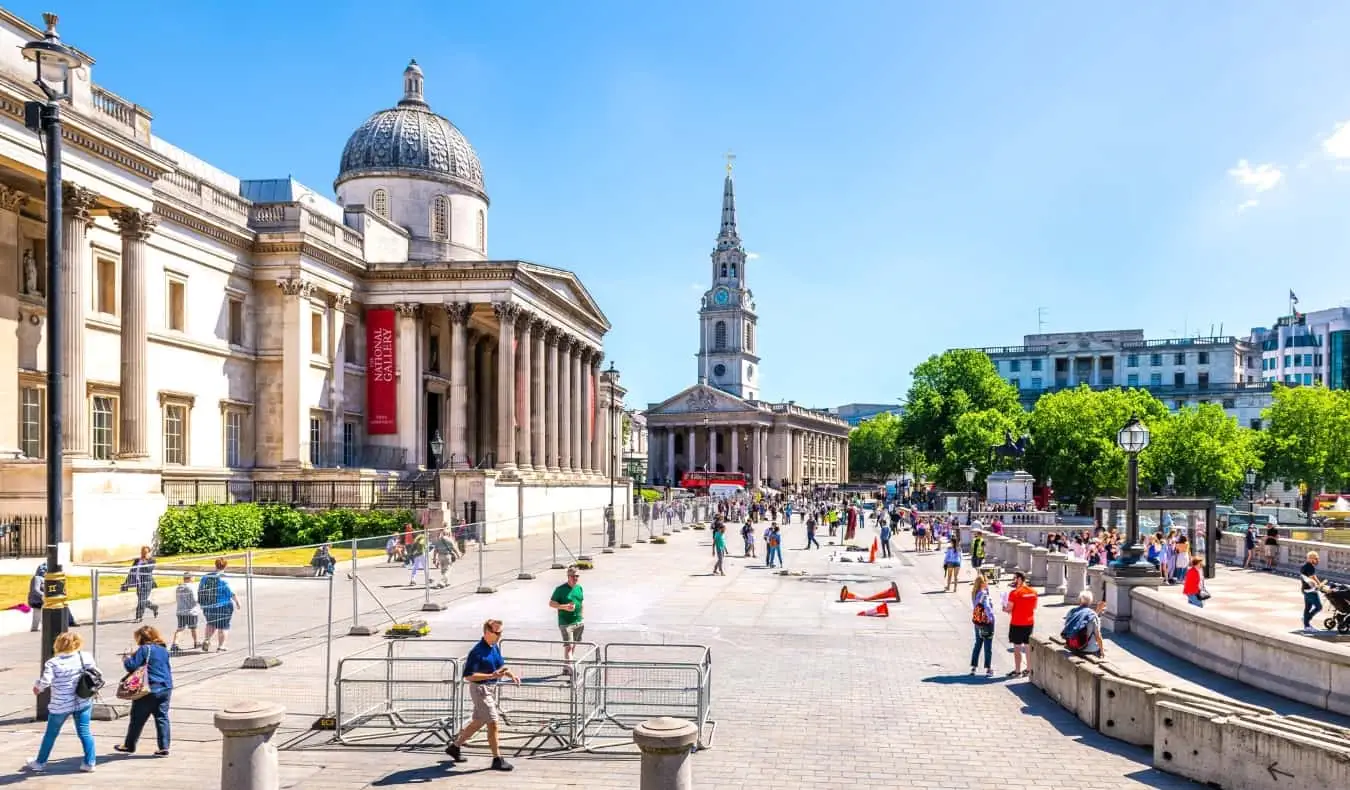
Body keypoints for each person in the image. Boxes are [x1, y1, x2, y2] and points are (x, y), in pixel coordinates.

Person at [444, 619, 518, 771]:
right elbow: (469, 676)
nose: (500, 635)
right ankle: (497, 759)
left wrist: (510, 673)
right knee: (493, 722)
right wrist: (491, 675)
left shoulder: (494, 647)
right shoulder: (477, 652)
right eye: (497, 632)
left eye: (501, 632)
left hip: (489, 689)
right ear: (487, 632)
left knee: (478, 721)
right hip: (480, 690)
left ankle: (455, 747)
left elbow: (500, 665)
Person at [22, 631, 98, 773]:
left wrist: (37, 687)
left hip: (61, 704)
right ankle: (90, 763)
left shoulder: (53, 663)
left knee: (51, 734)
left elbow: (45, 681)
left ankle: (40, 762)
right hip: (82, 700)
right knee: (85, 732)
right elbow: (95, 673)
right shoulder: (85, 657)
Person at [114, 625, 174, 756]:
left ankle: (129, 745)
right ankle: (164, 747)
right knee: (161, 717)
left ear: (141, 637)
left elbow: (131, 667)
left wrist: (126, 659)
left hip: (148, 689)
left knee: (137, 718)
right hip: (165, 687)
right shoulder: (163, 649)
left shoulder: (144, 648)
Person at [198, 558, 239, 652]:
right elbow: (230, 592)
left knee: (211, 624)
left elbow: (201, 590)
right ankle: (221, 646)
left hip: (208, 606)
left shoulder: (205, 577)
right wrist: (237, 601)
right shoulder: (224, 578)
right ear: (225, 566)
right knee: (223, 626)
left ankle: (207, 639)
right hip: (223, 605)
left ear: (215, 565)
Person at [549, 566, 584, 667]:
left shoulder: (579, 588)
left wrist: (581, 617)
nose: (575, 578)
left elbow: (581, 603)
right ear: (568, 576)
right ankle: (572, 671)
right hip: (565, 623)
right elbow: (551, 603)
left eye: (577, 576)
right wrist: (564, 607)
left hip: (577, 622)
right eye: (573, 576)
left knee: (572, 646)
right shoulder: (560, 589)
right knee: (569, 647)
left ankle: (566, 667)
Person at [1005, 571, 1038, 678]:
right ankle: (1028, 669)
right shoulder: (1033, 592)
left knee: (1017, 648)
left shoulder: (1014, 593)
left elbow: (1009, 608)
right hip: (1029, 622)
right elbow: (1034, 607)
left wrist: (1004, 608)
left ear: (1019, 579)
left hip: (1017, 623)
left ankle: (1018, 670)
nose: (1013, 581)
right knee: (1027, 647)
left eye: (1014, 578)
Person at [1062, 590, 1106, 658]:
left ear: (1079, 600)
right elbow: (1098, 636)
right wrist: (1102, 650)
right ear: (1091, 601)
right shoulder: (1092, 615)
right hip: (1088, 649)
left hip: (1073, 646)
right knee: (1100, 649)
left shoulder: (1072, 612)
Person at [122, 546, 160, 622]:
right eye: (143, 552)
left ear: (149, 552)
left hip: (147, 583)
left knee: (141, 600)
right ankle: (154, 607)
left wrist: (145, 560)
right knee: (142, 600)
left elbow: (149, 569)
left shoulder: (151, 561)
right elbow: (132, 572)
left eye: (146, 552)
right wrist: (126, 583)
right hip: (139, 583)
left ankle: (139, 617)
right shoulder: (137, 561)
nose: (144, 553)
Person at [969, 573, 996, 677]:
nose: (988, 583)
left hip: (977, 622)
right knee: (988, 645)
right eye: (986, 581)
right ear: (983, 583)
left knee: (978, 643)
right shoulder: (984, 594)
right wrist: (991, 618)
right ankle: (988, 668)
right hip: (986, 623)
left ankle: (974, 667)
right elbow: (987, 607)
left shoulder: (975, 593)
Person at [171, 573, 199, 652]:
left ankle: (175, 644)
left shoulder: (179, 587)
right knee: (194, 627)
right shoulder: (191, 587)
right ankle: (196, 642)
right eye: (193, 577)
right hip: (191, 611)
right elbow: (195, 599)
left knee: (180, 628)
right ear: (190, 578)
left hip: (180, 611)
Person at [1301, 550, 1327, 633]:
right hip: (1311, 590)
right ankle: (1307, 621)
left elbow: (1313, 576)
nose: (1317, 560)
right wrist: (1319, 586)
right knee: (1319, 607)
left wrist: (1320, 584)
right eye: (1316, 559)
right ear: (1312, 559)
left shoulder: (1305, 566)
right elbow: (1312, 579)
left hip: (1305, 590)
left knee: (1307, 608)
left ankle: (1306, 623)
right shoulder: (1310, 567)